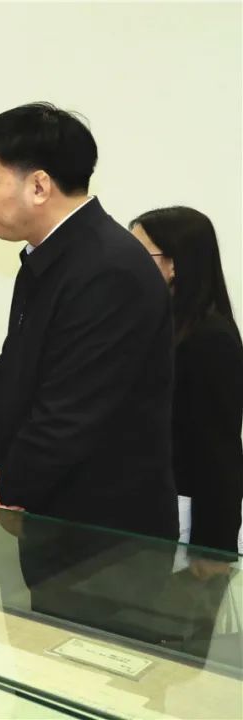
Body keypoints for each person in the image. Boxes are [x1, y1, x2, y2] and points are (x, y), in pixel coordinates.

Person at [0, 102, 176, 540]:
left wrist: (9, 486)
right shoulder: (45, 258)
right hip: (50, 516)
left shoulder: (109, 268)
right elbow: (10, 375)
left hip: (106, 536)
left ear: (39, 186)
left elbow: (70, 415)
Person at [130, 207, 243, 553]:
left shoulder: (211, 339)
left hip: (186, 517)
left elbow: (219, 451)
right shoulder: (157, 325)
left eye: (140, 254)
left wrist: (214, 546)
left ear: (174, 265)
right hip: (147, 507)